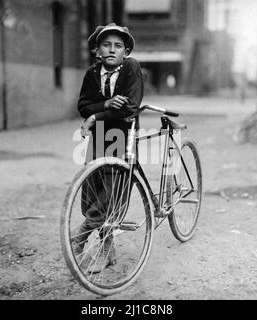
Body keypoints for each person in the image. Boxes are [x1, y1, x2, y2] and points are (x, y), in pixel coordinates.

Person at [72, 23, 144, 273]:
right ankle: (108, 248)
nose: (112, 50)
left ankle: (82, 236)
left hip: (122, 136)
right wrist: (107, 104)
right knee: (93, 189)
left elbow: (129, 109)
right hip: (99, 137)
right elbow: (83, 105)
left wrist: (95, 117)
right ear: (97, 50)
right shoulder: (93, 73)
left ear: (126, 51)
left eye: (118, 46)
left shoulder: (132, 67)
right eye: (106, 45)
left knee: (112, 194)